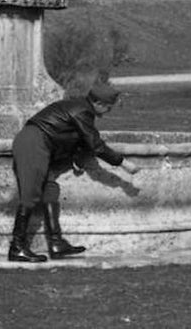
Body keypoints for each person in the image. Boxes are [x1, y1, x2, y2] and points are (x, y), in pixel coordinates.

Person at [8, 81, 138, 262]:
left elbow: (74, 137)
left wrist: (76, 158)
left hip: (40, 143)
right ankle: (17, 248)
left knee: (50, 191)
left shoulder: (80, 108)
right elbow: (95, 144)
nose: (109, 112)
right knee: (30, 195)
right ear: (98, 104)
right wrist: (123, 163)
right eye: (108, 108)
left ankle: (56, 243)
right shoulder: (82, 111)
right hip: (34, 142)